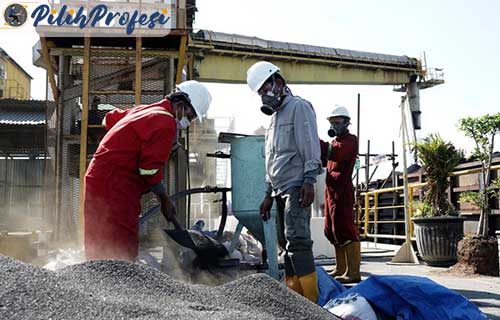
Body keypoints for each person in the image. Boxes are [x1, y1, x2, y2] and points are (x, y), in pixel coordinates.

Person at [83, 80, 212, 262]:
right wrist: (164, 200)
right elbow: (148, 170)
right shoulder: (165, 122)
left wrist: (126, 141)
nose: (188, 122)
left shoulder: (144, 110)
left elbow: (109, 118)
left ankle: (95, 280)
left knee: (99, 236)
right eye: (190, 117)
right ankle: (118, 284)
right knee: (122, 242)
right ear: (181, 105)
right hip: (117, 183)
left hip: (98, 177)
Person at [246, 61, 322, 302]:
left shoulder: (299, 107)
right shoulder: (274, 119)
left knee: (298, 241)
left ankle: (311, 303)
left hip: (296, 185)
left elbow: (310, 144)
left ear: (278, 82)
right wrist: (268, 193)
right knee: (284, 244)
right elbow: (272, 158)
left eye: (264, 91)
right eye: (260, 94)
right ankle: (294, 300)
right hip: (279, 189)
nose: (263, 97)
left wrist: (309, 179)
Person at [320, 105, 360, 283]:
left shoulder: (350, 140)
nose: (334, 125)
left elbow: (333, 154)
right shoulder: (335, 142)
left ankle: (353, 272)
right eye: (332, 122)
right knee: (331, 229)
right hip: (330, 191)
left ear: (346, 123)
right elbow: (324, 158)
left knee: (345, 228)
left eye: (337, 122)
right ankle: (341, 268)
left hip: (342, 191)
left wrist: (312, 138)